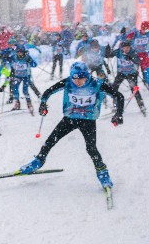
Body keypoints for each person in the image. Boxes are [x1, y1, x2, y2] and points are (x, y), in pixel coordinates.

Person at [19, 62, 125, 190]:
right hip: (69, 119)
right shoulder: (68, 82)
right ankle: (38, 162)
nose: (78, 82)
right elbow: (48, 92)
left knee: (91, 149)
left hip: (88, 121)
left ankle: (103, 173)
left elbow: (119, 96)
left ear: (87, 76)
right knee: (50, 141)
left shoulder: (97, 83)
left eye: (81, 78)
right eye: (75, 78)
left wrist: (119, 114)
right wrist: (43, 104)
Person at [108, 38, 146, 115]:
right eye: (124, 48)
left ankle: (141, 106)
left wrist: (131, 57)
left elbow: (138, 61)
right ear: (122, 48)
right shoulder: (118, 51)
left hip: (131, 73)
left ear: (130, 47)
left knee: (134, 90)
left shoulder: (133, 52)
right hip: (121, 73)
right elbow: (109, 55)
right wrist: (108, 51)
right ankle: (116, 106)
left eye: (127, 48)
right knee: (114, 88)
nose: (126, 49)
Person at [7, 44, 40, 113]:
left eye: (20, 52)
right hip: (17, 76)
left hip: (26, 76)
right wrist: (6, 57)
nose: (19, 53)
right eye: (18, 52)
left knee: (25, 90)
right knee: (14, 88)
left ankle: (29, 103)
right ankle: (17, 103)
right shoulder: (14, 57)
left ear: (23, 52)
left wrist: (30, 61)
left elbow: (35, 65)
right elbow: (8, 61)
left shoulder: (27, 57)